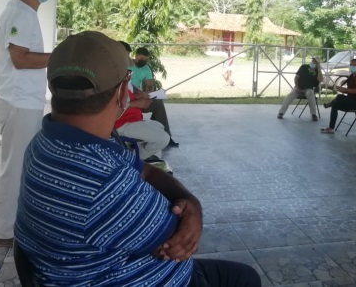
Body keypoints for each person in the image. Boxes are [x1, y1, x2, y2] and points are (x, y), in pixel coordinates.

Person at [15, 31, 261, 287]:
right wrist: (192, 211)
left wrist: (192, 205)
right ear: (124, 91)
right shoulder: (105, 185)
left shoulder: (45, 143)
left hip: (93, 271)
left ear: (52, 86)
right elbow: (176, 238)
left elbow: (144, 170)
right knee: (245, 279)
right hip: (145, 279)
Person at [0, 0, 60, 248]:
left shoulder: (23, 12)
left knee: (12, 162)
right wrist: (59, 56)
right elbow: (20, 59)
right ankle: (5, 232)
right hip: (18, 99)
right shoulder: (21, 13)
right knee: (16, 167)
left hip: (19, 98)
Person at [126, 44, 179, 147]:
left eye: (145, 59)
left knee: (158, 103)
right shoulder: (127, 65)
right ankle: (137, 137)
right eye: (141, 59)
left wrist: (148, 93)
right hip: (127, 98)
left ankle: (166, 136)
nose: (143, 61)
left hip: (139, 97)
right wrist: (139, 94)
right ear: (136, 56)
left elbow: (149, 86)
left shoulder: (146, 69)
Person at [114, 88, 170, 164]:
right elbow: (109, 110)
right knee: (163, 139)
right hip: (122, 124)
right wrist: (135, 103)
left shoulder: (121, 83)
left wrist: (137, 96)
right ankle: (134, 159)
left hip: (133, 120)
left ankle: (142, 153)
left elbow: (124, 99)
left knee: (160, 127)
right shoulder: (111, 85)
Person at [320, 59, 356, 134]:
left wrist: (345, 89)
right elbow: (350, 90)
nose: (352, 66)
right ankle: (331, 127)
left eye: (354, 65)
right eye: (351, 65)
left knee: (338, 100)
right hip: (351, 99)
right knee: (338, 99)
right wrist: (342, 90)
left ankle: (330, 104)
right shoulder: (352, 76)